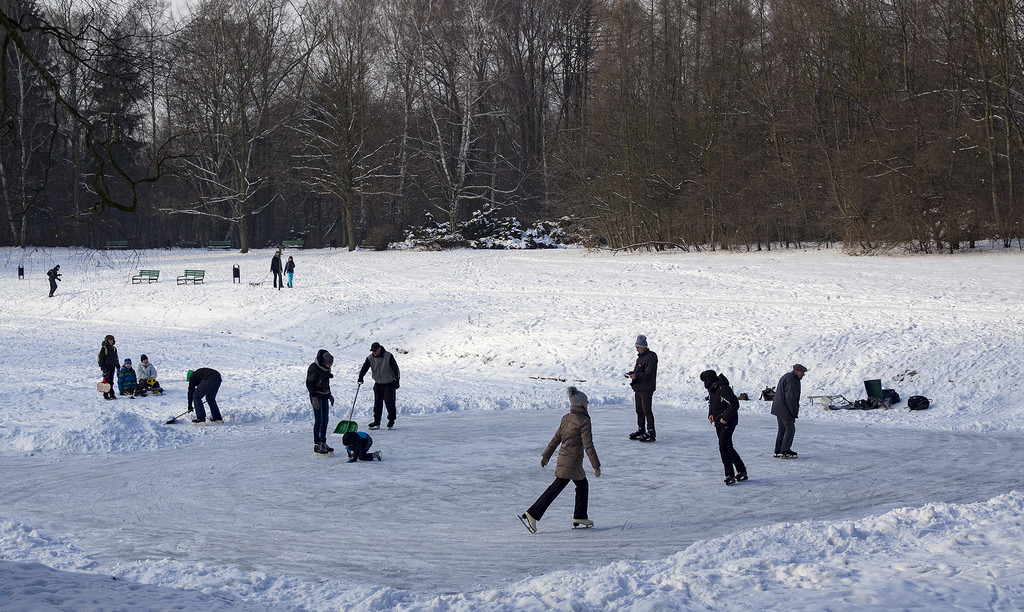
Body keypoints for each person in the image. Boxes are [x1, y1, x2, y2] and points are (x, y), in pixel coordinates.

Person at [519, 387, 601, 533]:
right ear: (581, 404)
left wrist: (546, 455)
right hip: (572, 462)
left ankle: (580, 516)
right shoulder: (583, 421)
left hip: (566, 459)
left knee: (582, 485)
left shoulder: (566, 418)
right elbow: (588, 445)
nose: (588, 403)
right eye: (586, 401)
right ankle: (532, 514)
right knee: (556, 488)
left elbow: (556, 439)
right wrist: (596, 465)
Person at [701, 369, 747, 485]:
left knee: (723, 446)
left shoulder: (723, 388)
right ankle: (742, 471)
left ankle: (729, 474)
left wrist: (725, 417)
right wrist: (710, 414)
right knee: (728, 446)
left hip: (728, 422)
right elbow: (712, 404)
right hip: (718, 421)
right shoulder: (712, 389)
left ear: (711, 380)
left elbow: (735, 404)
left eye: (706, 380)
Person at [358, 342, 401, 430]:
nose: (374, 353)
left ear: (379, 349)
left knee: (389, 402)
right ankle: (377, 421)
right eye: (372, 351)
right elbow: (365, 367)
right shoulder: (370, 358)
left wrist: (397, 380)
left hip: (389, 383)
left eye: (375, 351)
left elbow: (395, 369)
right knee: (377, 403)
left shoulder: (388, 356)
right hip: (378, 383)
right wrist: (360, 377)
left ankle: (391, 420)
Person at [625, 334, 658, 442]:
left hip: (646, 388)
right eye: (636, 347)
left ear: (644, 346)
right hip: (638, 387)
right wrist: (632, 373)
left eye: (638, 347)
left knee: (646, 410)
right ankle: (641, 429)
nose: (636, 349)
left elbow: (648, 374)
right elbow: (639, 372)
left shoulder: (651, 357)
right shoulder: (640, 358)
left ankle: (651, 432)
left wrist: (636, 376)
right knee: (639, 410)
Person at [771, 364, 807, 459]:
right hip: (785, 409)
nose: (803, 375)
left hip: (779, 407)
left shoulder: (788, 376)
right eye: (802, 373)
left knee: (782, 429)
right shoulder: (792, 379)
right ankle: (785, 451)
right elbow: (791, 398)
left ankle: (778, 450)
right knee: (790, 430)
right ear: (796, 371)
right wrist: (793, 413)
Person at [306, 349, 336, 455]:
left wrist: (329, 395)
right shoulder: (313, 368)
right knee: (318, 420)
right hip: (316, 396)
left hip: (324, 396)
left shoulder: (326, 369)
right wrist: (313, 397)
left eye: (331, 363)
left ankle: (323, 442)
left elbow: (326, 384)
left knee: (325, 420)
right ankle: (316, 444)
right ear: (323, 362)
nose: (330, 366)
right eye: (328, 364)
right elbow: (309, 384)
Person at [97, 335, 119, 400]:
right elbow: (101, 359)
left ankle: (112, 394)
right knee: (106, 381)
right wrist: (103, 369)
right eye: (109, 340)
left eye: (112, 340)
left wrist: (118, 367)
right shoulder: (104, 348)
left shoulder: (114, 348)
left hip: (112, 367)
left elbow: (116, 358)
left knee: (111, 381)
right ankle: (106, 394)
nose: (111, 341)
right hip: (106, 367)